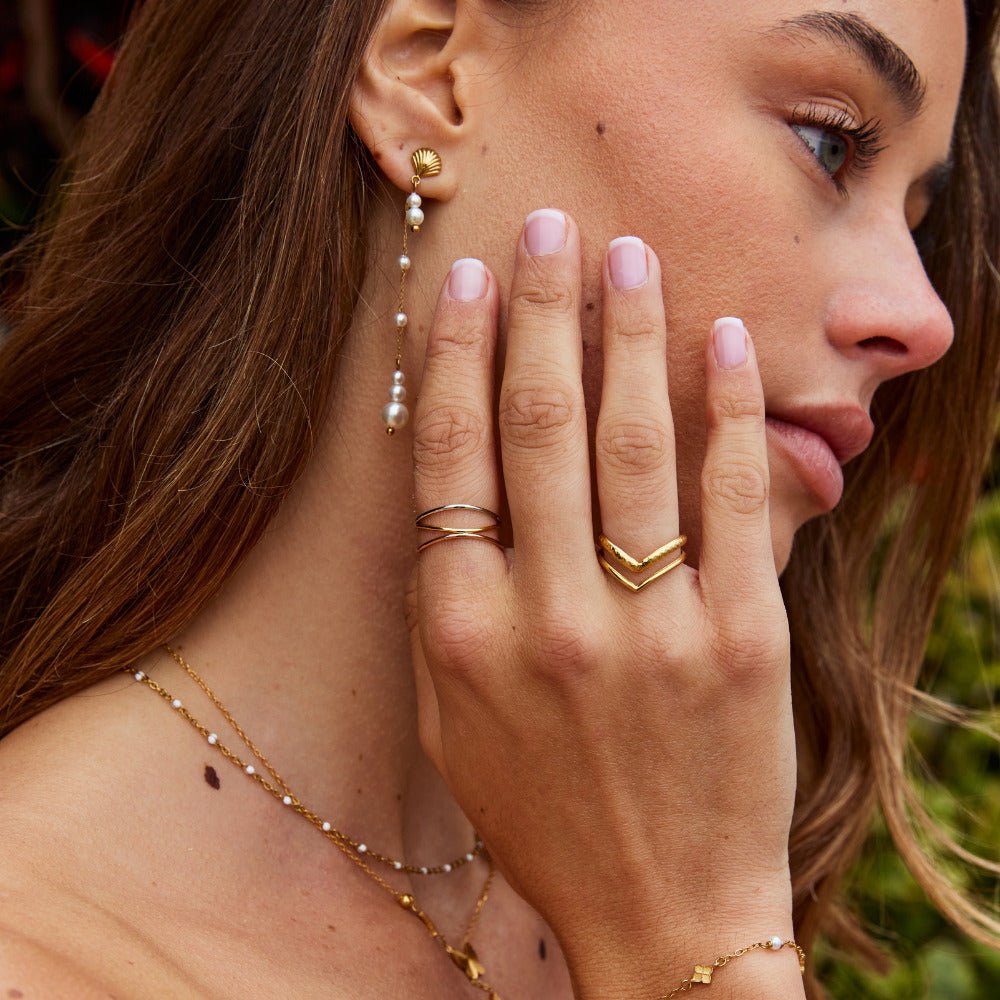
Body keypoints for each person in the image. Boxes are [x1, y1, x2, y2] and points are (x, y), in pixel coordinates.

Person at [0, 1, 997, 997]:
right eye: (829, 143)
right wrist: (700, 951)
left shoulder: (701, 866)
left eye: (916, 219)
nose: (923, 318)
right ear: (429, 76)